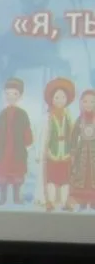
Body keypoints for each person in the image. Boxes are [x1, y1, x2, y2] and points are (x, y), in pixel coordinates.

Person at [0, 76, 32, 206]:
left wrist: (28, 143)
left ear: (20, 96)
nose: (11, 97)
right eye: (8, 94)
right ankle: (2, 198)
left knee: (17, 175)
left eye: (14, 94)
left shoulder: (23, 114)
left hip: (17, 150)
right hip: (3, 151)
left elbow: (27, 131)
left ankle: (16, 197)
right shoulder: (1, 114)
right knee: (2, 175)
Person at [41, 76, 75, 212]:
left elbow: (72, 134)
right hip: (52, 153)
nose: (60, 100)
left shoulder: (68, 116)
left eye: (63, 97)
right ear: (51, 99)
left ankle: (65, 202)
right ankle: (50, 202)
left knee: (65, 179)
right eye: (57, 97)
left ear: (67, 99)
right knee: (52, 179)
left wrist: (72, 150)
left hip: (65, 153)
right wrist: (46, 151)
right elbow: (45, 135)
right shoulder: (48, 116)